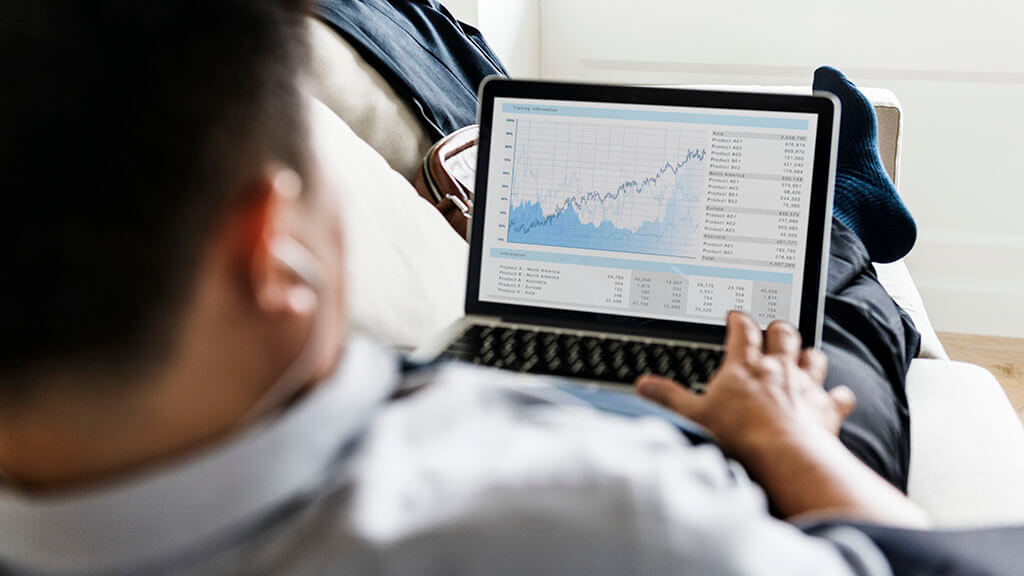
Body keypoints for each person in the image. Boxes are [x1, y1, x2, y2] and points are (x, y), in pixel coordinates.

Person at [3, 1, 1013, 575]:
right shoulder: (608, 521)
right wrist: (787, 444)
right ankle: (840, 204)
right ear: (273, 253)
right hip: (709, 449)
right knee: (817, 326)